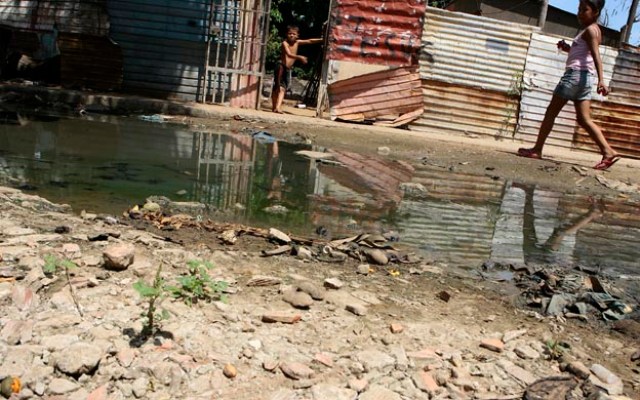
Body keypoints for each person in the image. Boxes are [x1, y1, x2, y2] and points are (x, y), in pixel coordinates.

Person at [517, 0, 620, 170]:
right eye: (579, 9)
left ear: (595, 12)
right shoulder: (592, 31)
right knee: (584, 119)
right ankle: (608, 151)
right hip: (585, 78)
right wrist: (567, 48)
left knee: (551, 111)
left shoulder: (590, 31)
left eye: (584, 9)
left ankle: (537, 149)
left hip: (575, 76)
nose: (579, 13)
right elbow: (583, 54)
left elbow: (596, 56)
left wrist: (602, 80)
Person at [271, 25, 322, 114]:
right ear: (287, 34)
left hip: (287, 69)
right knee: (278, 88)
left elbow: (310, 41)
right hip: (281, 66)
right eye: (290, 33)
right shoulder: (284, 43)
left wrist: (322, 40)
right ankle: (276, 107)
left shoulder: (297, 43)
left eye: (294, 34)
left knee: (282, 88)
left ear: (297, 35)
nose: (291, 35)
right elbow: (289, 54)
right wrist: (300, 57)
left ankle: (276, 107)